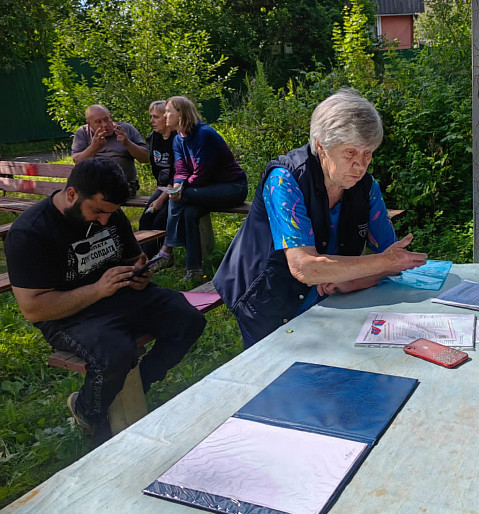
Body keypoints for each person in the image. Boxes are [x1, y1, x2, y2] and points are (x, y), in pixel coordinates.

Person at [4, 159, 206, 446]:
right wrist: (98, 289)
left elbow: (130, 259)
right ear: (72, 194)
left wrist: (140, 274)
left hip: (119, 294)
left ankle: (142, 383)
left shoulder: (110, 215)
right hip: (66, 315)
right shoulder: (30, 232)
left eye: (110, 214)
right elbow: (34, 308)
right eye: (97, 211)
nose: (103, 221)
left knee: (189, 320)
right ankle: (88, 412)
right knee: (115, 354)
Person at [213, 88, 428, 349]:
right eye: (350, 153)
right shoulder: (284, 179)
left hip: (325, 302)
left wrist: (351, 278)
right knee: (275, 377)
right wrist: (374, 265)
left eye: (368, 153)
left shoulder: (366, 187)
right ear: (320, 146)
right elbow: (305, 267)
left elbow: (390, 260)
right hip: (265, 297)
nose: (361, 166)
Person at [149, 96, 248, 282]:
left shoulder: (204, 135)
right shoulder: (178, 139)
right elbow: (181, 170)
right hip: (205, 189)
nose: (166, 114)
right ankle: (194, 270)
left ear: (182, 114)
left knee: (182, 197)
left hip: (233, 187)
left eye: (169, 111)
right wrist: (178, 184)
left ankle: (166, 250)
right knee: (189, 212)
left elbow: (203, 173)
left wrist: (180, 190)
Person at [72, 104, 149, 197]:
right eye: (98, 122)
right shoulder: (83, 133)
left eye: (106, 119)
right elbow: (77, 161)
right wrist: (94, 147)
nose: (104, 125)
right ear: (89, 123)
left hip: (123, 185)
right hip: (93, 185)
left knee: (95, 199)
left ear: (111, 117)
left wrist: (128, 143)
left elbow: (146, 158)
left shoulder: (126, 129)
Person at [138, 100, 177, 257]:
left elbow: (177, 174)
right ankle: (141, 257)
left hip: (176, 188)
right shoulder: (154, 137)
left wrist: (161, 198)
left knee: (159, 221)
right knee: (145, 219)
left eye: (155, 117)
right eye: (151, 116)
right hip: (162, 187)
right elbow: (156, 166)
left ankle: (155, 259)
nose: (151, 121)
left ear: (167, 118)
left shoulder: (177, 139)